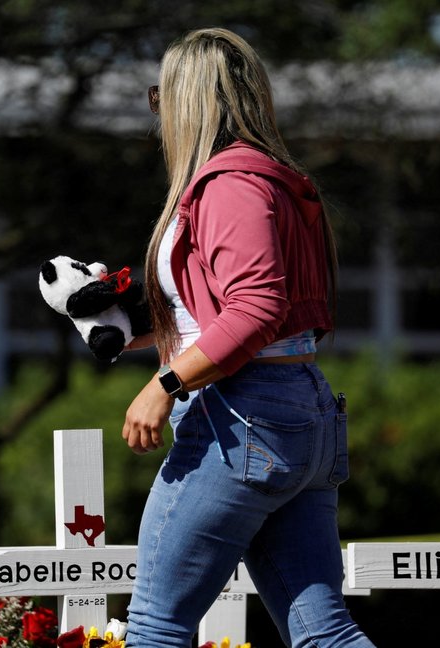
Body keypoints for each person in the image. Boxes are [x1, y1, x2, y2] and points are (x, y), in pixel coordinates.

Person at [121, 28, 375, 648]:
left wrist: (164, 383)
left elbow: (257, 308)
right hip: (298, 411)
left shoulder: (227, 183)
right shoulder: (276, 182)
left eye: (162, 97)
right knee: (324, 633)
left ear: (189, 100)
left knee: (156, 628)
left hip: (244, 418)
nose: (160, 115)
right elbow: (256, 313)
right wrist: (126, 331)